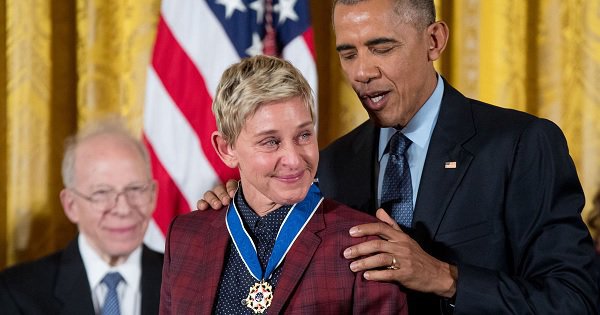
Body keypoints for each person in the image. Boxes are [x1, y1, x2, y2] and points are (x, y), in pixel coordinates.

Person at [198, 0, 599, 313]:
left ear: (434, 40)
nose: (362, 72)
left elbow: (575, 299)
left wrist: (446, 278)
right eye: (348, 53)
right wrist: (240, 203)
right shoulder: (332, 163)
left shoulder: (520, 145)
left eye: (381, 47)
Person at [159, 55, 407, 314]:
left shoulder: (365, 246)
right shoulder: (185, 236)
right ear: (226, 148)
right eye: (271, 142)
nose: (294, 159)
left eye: (304, 135)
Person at [0, 118, 163, 315]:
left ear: (153, 195)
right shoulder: (16, 292)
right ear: (71, 205)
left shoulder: (190, 282)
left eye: (136, 189)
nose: (123, 208)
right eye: (102, 193)